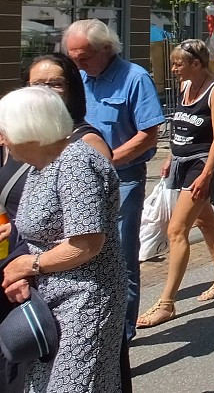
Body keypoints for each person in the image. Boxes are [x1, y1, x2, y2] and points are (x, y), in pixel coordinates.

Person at [0, 87, 125, 393]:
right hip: (51, 300)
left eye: (3, 130)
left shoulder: (76, 162)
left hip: (86, 300)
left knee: (76, 386)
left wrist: (31, 264)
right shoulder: (40, 166)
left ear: (26, 129)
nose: (1, 139)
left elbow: (86, 243)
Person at [63, 19, 164, 344]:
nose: (78, 64)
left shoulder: (134, 79)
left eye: (85, 57)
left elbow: (148, 136)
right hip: (77, 182)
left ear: (107, 49)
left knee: (120, 257)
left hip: (123, 180)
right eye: (73, 57)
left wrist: (103, 163)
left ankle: (120, 338)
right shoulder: (77, 79)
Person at [137, 40, 214, 328]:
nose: (174, 68)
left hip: (201, 166)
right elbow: (178, 126)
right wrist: (169, 155)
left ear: (196, 64)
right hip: (180, 164)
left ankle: (166, 303)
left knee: (176, 229)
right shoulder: (184, 88)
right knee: (205, 223)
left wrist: (206, 175)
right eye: (174, 63)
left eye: (179, 63)